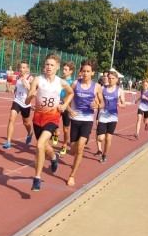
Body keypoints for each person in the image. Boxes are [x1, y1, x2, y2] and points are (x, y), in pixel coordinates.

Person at [25, 53, 74, 192]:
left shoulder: (61, 82)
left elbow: (71, 93)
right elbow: (27, 101)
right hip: (38, 119)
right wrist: (31, 96)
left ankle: (37, 178)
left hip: (52, 118)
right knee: (45, 146)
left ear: (57, 67)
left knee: (39, 145)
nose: (49, 67)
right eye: (47, 64)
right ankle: (53, 157)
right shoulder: (37, 79)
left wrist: (65, 105)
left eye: (52, 65)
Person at [65, 60, 103, 186]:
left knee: (81, 146)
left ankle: (72, 175)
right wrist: (69, 109)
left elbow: (102, 103)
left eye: (88, 71)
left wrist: (97, 105)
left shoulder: (97, 87)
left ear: (93, 72)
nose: (85, 73)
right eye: (84, 71)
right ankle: (76, 155)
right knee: (73, 150)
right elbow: (65, 99)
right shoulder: (75, 83)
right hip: (75, 119)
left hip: (87, 120)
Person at [97, 70, 127, 163]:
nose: (111, 80)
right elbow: (97, 100)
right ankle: (102, 151)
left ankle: (104, 155)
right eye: (109, 78)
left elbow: (124, 104)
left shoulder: (120, 91)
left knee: (108, 138)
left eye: (113, 78)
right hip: (102, 115)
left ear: (117, 79)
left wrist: (121, 105)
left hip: (113, 117)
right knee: (100, 138)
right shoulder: (102, 88)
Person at [3, 61, 34, 149]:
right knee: (11, 118)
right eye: (20, 67)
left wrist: (27, 86)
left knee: (26, 122)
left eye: (23, 67)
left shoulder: (30, 78)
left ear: (27, 69)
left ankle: (30, 132)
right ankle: (8, 142)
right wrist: (13, 90)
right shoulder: (18, 77)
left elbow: (33, 91)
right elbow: (17, 87)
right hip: (17, 101)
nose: (21, 69)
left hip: (26, 103)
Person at [56, 60, 75, 155]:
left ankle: (64, 144)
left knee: (66, 129)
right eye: (63, 69)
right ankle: (56, 133)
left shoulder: (73, 83)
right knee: (53, 124)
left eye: (66, 69)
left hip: (66, 107)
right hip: (57, 105)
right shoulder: (58, 80)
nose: (63, 71)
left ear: (71, 71)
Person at [94, 71, 110, 156]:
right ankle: (99, 150)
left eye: (106, 76)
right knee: (98, 131)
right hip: (100, 112)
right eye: (104, 76)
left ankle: (105, 151)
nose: (105, 77)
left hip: (110, 114)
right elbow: (96, 98)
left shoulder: (112, 88)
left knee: (106, 135)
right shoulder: (100, 88)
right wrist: (96, 104)